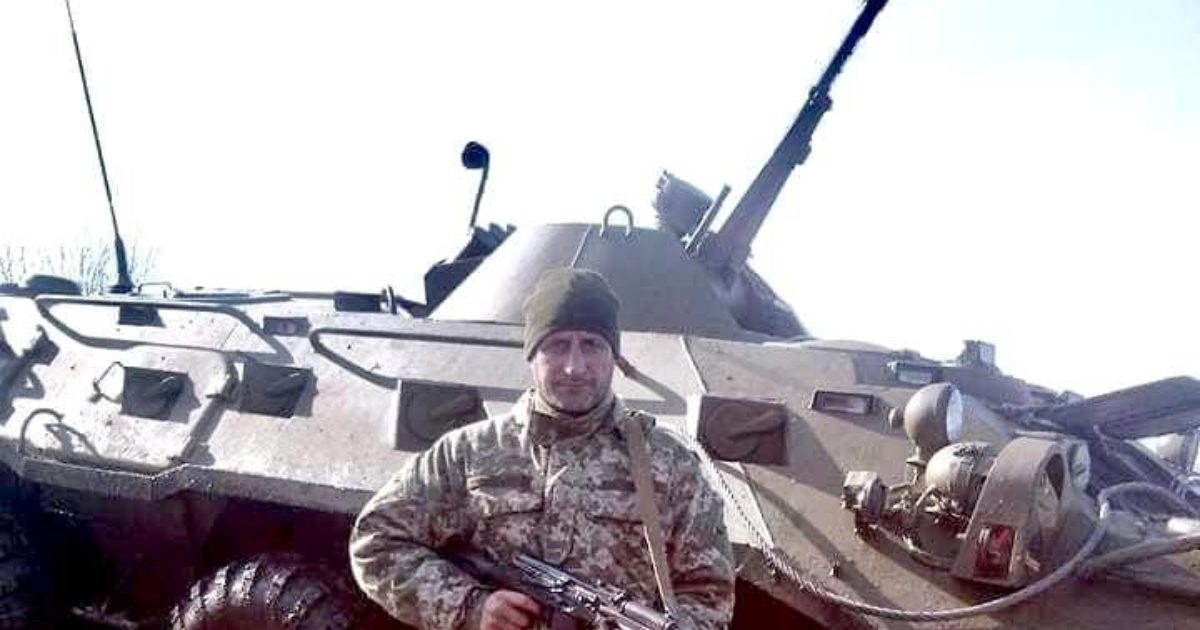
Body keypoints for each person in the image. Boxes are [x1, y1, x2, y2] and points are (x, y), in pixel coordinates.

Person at [350, 268, 735, 630]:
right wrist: (471, 606)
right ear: (532, 354)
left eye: (592, 345)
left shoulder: (671, 465)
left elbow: (709, 593)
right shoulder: (467, 453)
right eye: (557, 345)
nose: (574, 367)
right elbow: (375, 542)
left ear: (613, 357)